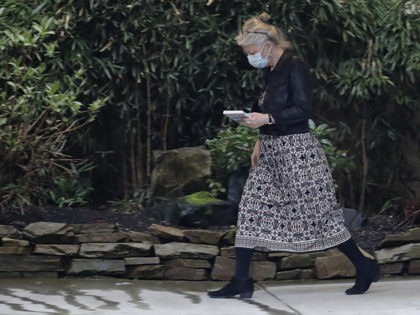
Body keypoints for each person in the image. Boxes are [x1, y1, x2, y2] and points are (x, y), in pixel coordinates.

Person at [208, 12, 381, 299]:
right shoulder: (271, 72)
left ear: (267, 44)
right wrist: (259, 139)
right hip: (271, 153)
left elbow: (302, 109)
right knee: (251, 209)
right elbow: (265, 114)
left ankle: (364, 266)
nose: (251, 58)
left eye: (251, 52)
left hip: (298, 154)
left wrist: (268, 120)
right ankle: (241, 281)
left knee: (321, 216)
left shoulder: (295, 67)